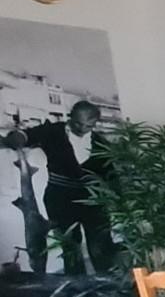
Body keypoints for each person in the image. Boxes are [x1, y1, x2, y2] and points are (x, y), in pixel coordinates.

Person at [2, 100, 116, 275]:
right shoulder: (52, 131)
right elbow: (25, 135)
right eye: (78, 123)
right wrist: (16, 139)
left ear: (95, 123)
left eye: (89, 125)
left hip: (94, 201)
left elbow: (111, 176)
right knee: (70, 247)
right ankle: (75, 289)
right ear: (70, 116)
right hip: (60, 199)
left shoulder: (102, 143)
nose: (82, 128)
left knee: (101, 247)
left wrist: (116, 197)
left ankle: (108, 289)